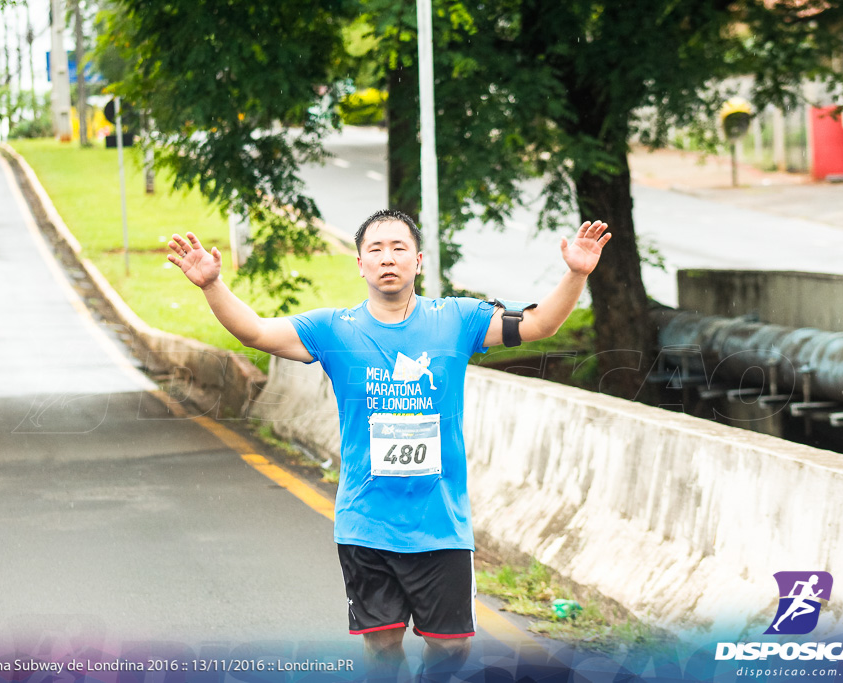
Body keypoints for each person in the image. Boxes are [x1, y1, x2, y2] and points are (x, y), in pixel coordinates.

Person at [167, 209, 610, 681]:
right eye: (375, 250)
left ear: (418, 261)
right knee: (382, 649)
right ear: (360, 264)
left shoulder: (457, 319)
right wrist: (212, 285)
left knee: (452, 648)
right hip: (366, 523)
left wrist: (575, 274)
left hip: (441, 523)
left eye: (399, 248)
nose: (387, 258)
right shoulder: (333, 330)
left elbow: (539, 325)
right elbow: (256, 331)